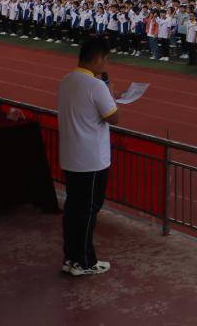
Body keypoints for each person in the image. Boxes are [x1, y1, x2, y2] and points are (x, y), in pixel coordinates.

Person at [58, 39, 119, 277]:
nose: (106, 64)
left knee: (73, 209)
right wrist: (110, 93)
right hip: (91, 159)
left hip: (71, 156)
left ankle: (71, 257)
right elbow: (113, 117)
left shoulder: (66, 80)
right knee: (88, 211)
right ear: (96, 58)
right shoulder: (96, 86)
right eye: (105, 59)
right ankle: (84, 261)